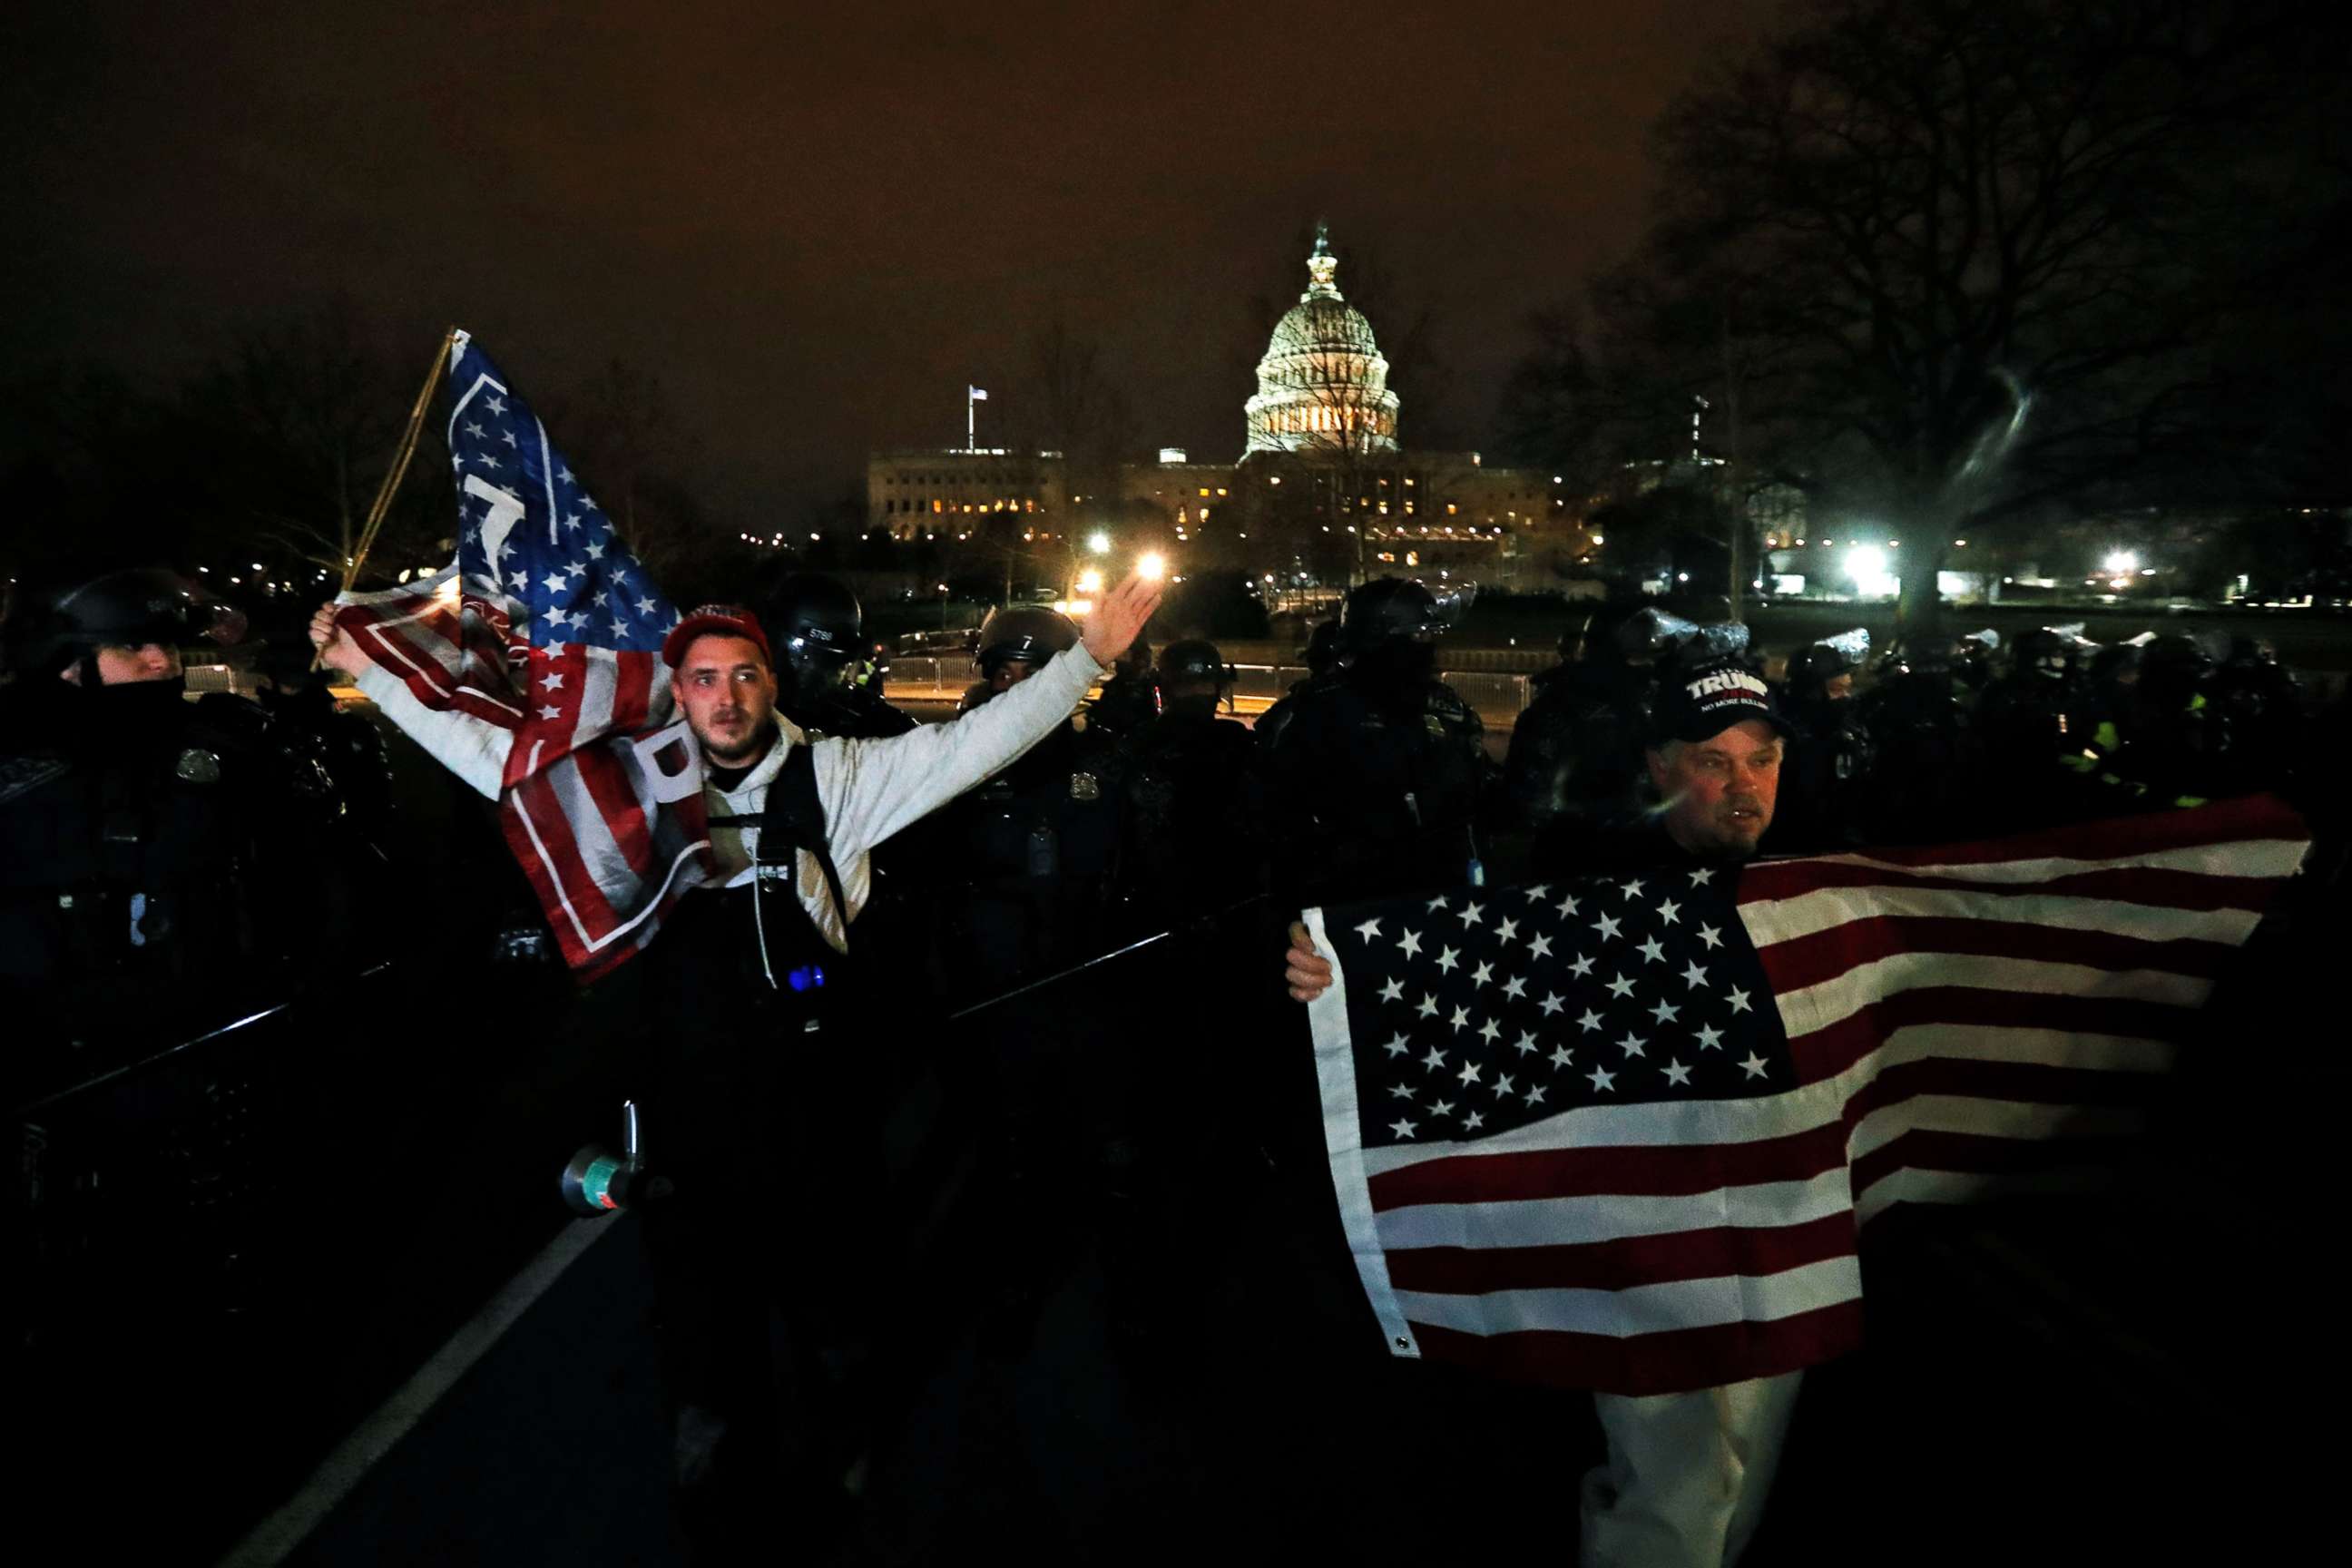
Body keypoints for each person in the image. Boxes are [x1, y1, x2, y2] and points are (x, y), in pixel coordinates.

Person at [310, 572, 1161, 1559]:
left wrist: (1085, 660)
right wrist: (367, 669)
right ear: (680, 691)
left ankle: (839, 1470)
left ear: (770, 684)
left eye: (744, 675)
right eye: (704, 678)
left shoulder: (839, 776)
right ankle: (716, 1499)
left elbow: (971, 747)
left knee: (833, 1318)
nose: (726, 698)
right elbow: (491, 752)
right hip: (686, 1118)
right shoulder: (624, 787)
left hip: (817, 1106)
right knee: (705, 1341)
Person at [1282, 655, 1803, 1568]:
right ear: (1660, 766)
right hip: (1647, 1231)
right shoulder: (1589, 885)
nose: (1742, 785)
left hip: (1770, 1223)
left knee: (1741, 1468)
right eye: (1715, 761)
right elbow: (1481, 987)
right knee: (1676, 1478)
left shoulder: (1814, 882)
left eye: (1761, 761)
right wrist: (1352, 977)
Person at [1252, 577, 1492, 907]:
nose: (1429, 646)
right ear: (1379, 639)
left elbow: (1479, 788)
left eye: (1431, 635)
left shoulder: (1442, 705)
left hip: (1441, 897)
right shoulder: (1315, 713)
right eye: (1418, 635)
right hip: (1352, 904)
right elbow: (1272, 815)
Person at [760, 571, 916, 740]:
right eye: (826, 664)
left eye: (838, 666)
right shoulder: (758, 723)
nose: (835, 675)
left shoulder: (876, 724)